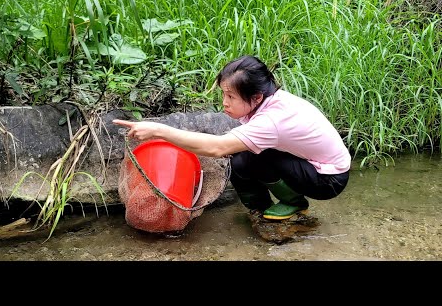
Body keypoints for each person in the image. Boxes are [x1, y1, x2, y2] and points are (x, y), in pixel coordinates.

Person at [113, 55, 351, 221]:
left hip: (328, 179)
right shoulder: (272, 101)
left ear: (256, 97)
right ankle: (261, 209)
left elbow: (217, 148)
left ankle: (294, 204)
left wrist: (157, 130)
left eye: (231, 96)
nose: (224, 103)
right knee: (240, 156)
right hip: (316, 164)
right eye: (223, 94)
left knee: (244, 158)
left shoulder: (272, 121)